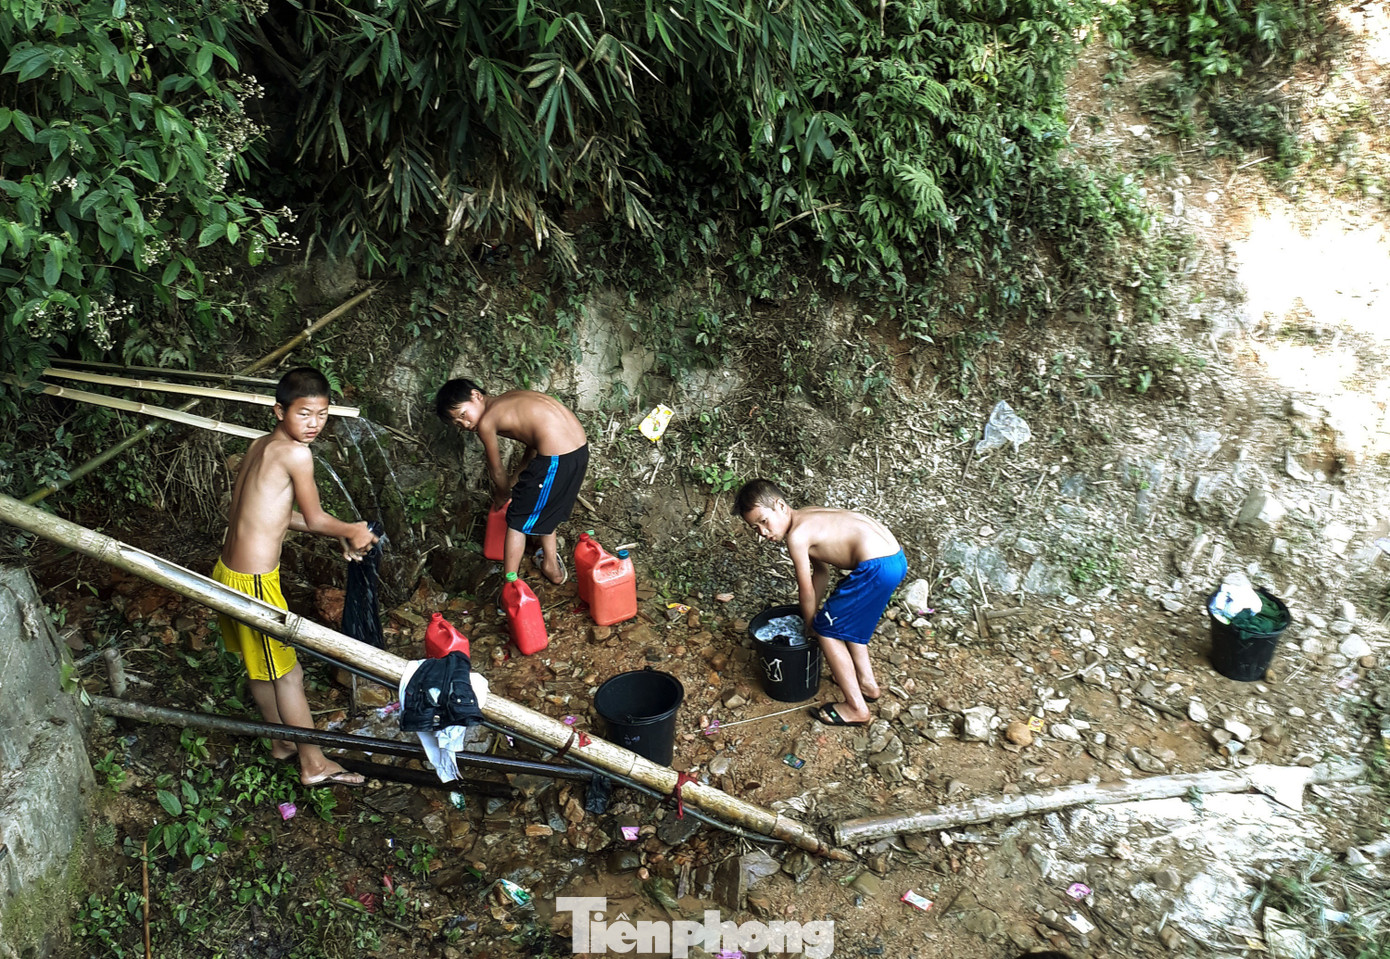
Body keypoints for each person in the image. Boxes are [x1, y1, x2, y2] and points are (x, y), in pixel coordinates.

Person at [213, 367, 378, 787]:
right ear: (279, 410)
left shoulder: (261, 446)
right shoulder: (296, 454)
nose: (314, 424)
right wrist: (351, 530)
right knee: (289, 675)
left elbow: (278, 514)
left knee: (262, 667)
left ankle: (282, 743)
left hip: (227, 573)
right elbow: (318, 516)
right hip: (252, 585)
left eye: (322, 415)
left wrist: (340, 531)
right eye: (304, 414)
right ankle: (313, 763)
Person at [733, 479, 907, 726]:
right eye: (755, 528)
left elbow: (805, 589)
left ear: (780, 506)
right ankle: (868, 685)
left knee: (827, 630)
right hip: (895, 559)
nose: (762, 532)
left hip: (875, 567)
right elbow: (821, 573)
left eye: (764, 521)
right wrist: (818, 615)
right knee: (842, 623)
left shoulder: (797, 536)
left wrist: (811, 624)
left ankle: (857, 709)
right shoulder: (808, 515)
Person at [435, 378, 588, 586]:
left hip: (556, 458)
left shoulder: (487, 422)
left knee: (516, 520)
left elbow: (496, 469)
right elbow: (533, 442)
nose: (464, 424)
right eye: (458, 424)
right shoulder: (510, 399)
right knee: (542, 507)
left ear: (476, 395)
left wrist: (502, 495)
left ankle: (510, 586)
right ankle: (551, 567)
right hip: (578, 451)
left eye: (463, 415)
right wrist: (517, 478)